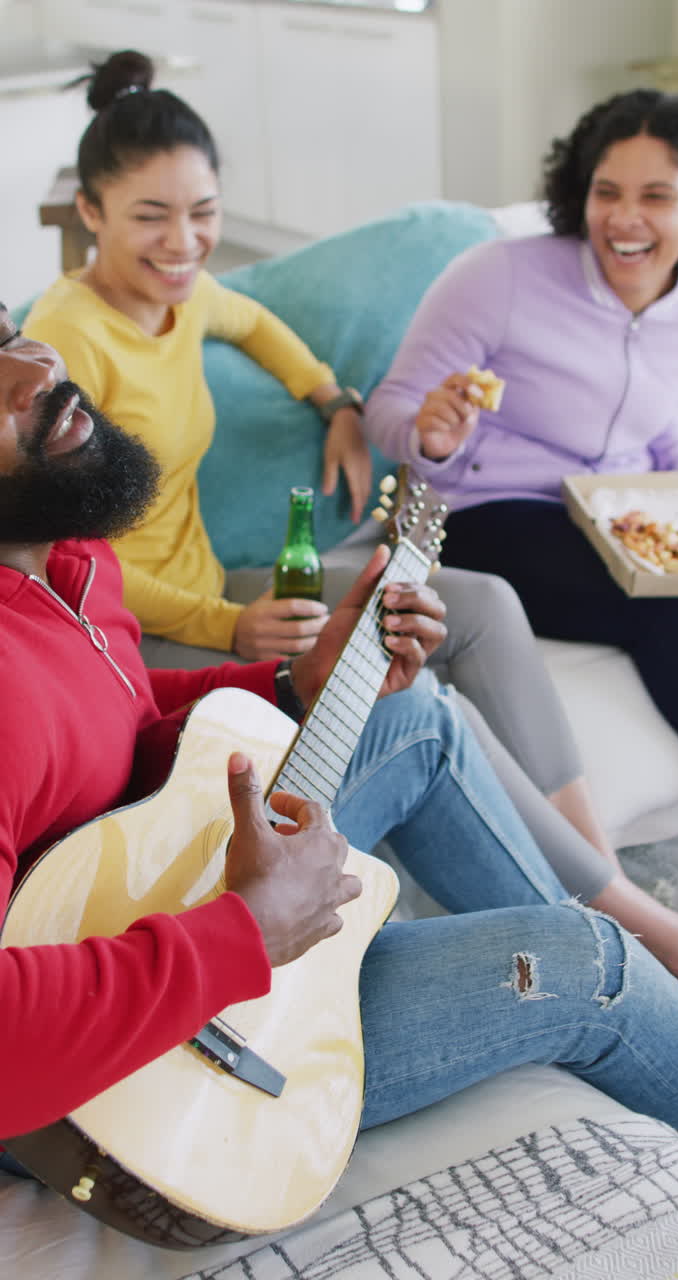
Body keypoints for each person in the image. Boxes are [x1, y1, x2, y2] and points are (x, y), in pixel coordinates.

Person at [2, 311, 678, 1163]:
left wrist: (291, 682)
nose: (33, 370)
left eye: (3, 335)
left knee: (410, 718)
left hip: (152, 898)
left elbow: (109, 714)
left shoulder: (63, 554)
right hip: (125, 1082)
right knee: (583, 961)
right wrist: (246, 931)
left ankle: (643, 966)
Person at [22, 48, 630, 904]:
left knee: (483, 605)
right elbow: (72, 565)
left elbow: (255, 323)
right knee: (414, 701)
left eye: (204, 213)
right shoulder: (66, 341)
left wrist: (335, 401)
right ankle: (609, 904)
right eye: (151, 217)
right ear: (91, 211)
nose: (185, 243)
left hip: (218, 588)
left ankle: (596, 859)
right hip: (140, 632)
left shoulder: (180, 294)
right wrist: (229, 625)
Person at [364, 88, 678, 785]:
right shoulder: (499, 276)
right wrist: (431, 435)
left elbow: (653, 416)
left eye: (656, 197)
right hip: (480, 512)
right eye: (606, 192)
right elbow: (391, 409)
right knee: (669, 607)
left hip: (613, 513)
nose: (623, 218)